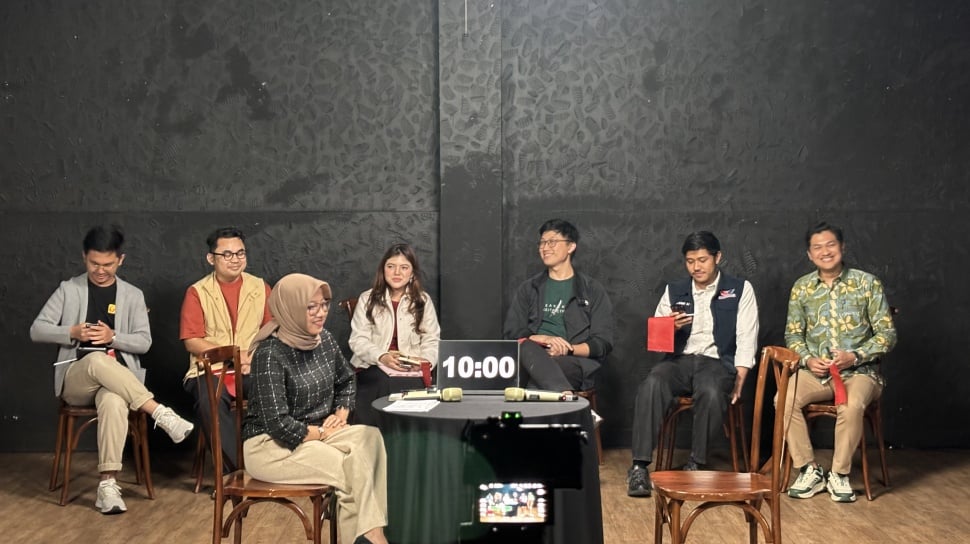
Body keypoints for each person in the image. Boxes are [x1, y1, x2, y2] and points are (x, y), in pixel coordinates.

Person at [30, 225, 194, 515]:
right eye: (94, 263)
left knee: (114, 400)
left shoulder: (132, 295)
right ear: (84, 257)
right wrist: (72, 331)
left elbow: (144, 342)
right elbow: (37, 330)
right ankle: (159, 412)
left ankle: (107, 486)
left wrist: (113, 337)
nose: (100, 270)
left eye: (107, 264)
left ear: (121, 260)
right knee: (96, 360)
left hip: (118, 383)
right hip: (76, 380)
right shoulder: (69, 289)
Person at [242, 273, 388, 544]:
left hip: (317, 433)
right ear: (291, 308)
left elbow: (346, 379)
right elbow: (278, 425)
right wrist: (321, 433)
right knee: (352, 467)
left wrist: (340, 414)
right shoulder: (269, 354)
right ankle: (373, 536)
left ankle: (366, 531)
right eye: (311, 307)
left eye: (324, 305)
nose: (321, 313)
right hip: (271, 446)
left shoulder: (324, 340)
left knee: (371, 438)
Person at [627, 231, 759, 497]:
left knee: (711, 391)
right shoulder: (674, 289)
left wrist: (740, 378)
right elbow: (657, 340)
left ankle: (696, 464)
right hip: (680, 360)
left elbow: (747, 336)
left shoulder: (739, 289)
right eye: (690, 261)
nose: (696, 267)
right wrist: (670, 328)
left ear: (717, 257)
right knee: (652, 382)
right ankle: (639, 466)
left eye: (702, 260)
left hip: (717, 362)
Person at [782, 222, 896, 503]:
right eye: (817, 247)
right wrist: (808, 359)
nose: (825, 252)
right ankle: (809, 469)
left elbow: (887, 334)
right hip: (816, 373)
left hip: (860, 372)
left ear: (842, 247)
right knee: (783, 399)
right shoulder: (802, 288)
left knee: (851, 405)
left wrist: (855, 356)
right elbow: (793, 334)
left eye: (830, 244)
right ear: (809, 254)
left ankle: (839, 474)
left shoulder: (867, 283)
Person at [179, 227, 272, 471]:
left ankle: (273, 463)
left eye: (240, 253)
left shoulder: (260, 287)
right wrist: (234, 355)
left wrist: (252, 358)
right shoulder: (197, 292)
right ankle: (236, 473)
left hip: (251, 367)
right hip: (209, 370)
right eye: (227, 254)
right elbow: (192, 340)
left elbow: (271, 333)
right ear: (211, 258)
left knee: (277, 389)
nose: (235, 259)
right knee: (210, 400)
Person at [503, 219, 614, 394]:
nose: (545, 248)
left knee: (539, 373)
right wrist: (543, 339)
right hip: (531, 355)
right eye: (542, 243)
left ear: (571, 246)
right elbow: (512, 333)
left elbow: (603, 343)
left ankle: (554, 397)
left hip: (572, 362)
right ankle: (566, 397)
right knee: (527, 348)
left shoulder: (591, 290)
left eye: (552, 242)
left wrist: (567, 349)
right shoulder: (529, 288)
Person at [349, 243, 440, 426]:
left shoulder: (423, 301)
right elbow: (358, 340)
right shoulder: (368, 299)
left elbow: (432, 340)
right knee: (384, 382)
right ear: (383, 270)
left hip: (412, 368)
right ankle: (379, 439)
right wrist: (382, 356)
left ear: (412, 273)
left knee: (413, 387)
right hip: (374, 366)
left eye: (404, 267)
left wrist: (423, 361)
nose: (397, 272)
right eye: (391, 266)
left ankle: (408, 440)